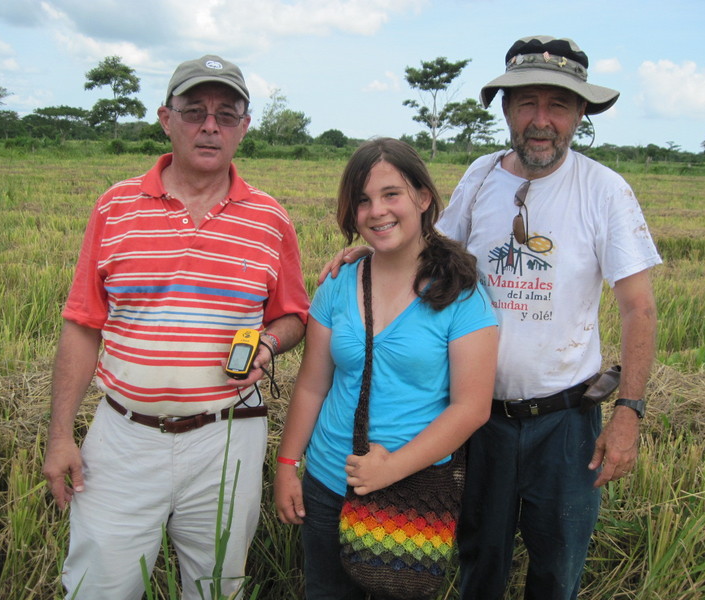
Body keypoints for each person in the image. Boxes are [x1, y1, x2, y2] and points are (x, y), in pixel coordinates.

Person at [322, 36, 661, 600]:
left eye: (558, 105)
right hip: (480, 423)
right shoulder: (481, 177)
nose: (541, 120)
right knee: (480, 562)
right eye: (526, 103)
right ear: (506, 109)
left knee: (556, 569)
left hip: (564, 421)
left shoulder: (605, 191)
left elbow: (639, 308)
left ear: (580, 114)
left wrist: (628, 412)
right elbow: (431, 251)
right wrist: (371, 248)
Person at [42, 54, 310, 600]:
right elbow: (82, 324)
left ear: (244, 128)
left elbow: (292, 316)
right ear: (166, 118)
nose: (210, 125)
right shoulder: (115, 207)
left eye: (226, 114)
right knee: (97, 587)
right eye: (194, 111)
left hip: (228, 436)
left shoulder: (270, 219)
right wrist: (59, 435)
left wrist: (268, 341)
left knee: (217, 587)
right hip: (121, 438)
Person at [274, 138, 498, 599]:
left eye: (391, 194)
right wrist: (287, 464)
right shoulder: (337, 284)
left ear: (423, 197)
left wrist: (391, 468)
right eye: (362, 200)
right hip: (327, 485)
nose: (377, 211)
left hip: (413, 492)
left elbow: (471, 408)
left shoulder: (462, 294)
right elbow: (313, 386)